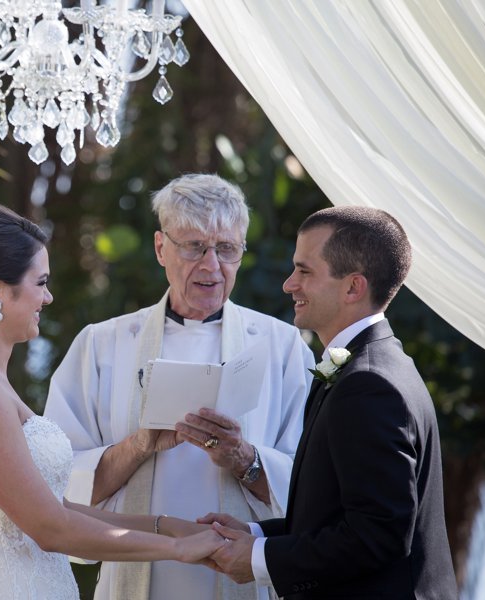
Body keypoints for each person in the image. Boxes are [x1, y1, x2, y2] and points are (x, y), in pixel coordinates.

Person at [0, 200, 225, 600]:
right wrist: (177, 550)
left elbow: (57, 507)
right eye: (41, 283)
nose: (48, 299)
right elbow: (50, 528)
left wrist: (166, 525)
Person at [44, 174, 315, 600]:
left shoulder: (283, 348)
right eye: (193, 247)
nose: (211, 266)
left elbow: (314, 486)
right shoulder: (102, 345)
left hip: (245, 576)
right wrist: (139, 445)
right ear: (160, 248)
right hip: (133, 577)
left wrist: (244, 458)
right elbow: (55, 484)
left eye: (226, 249)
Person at [203, 206, 457, 598]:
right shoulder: (364, 367)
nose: (289, 284)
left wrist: (260, 560)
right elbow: (335, 515)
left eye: (304, 271)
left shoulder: (370, 384)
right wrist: (253, 534)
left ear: (353, 287)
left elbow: (377, 535)